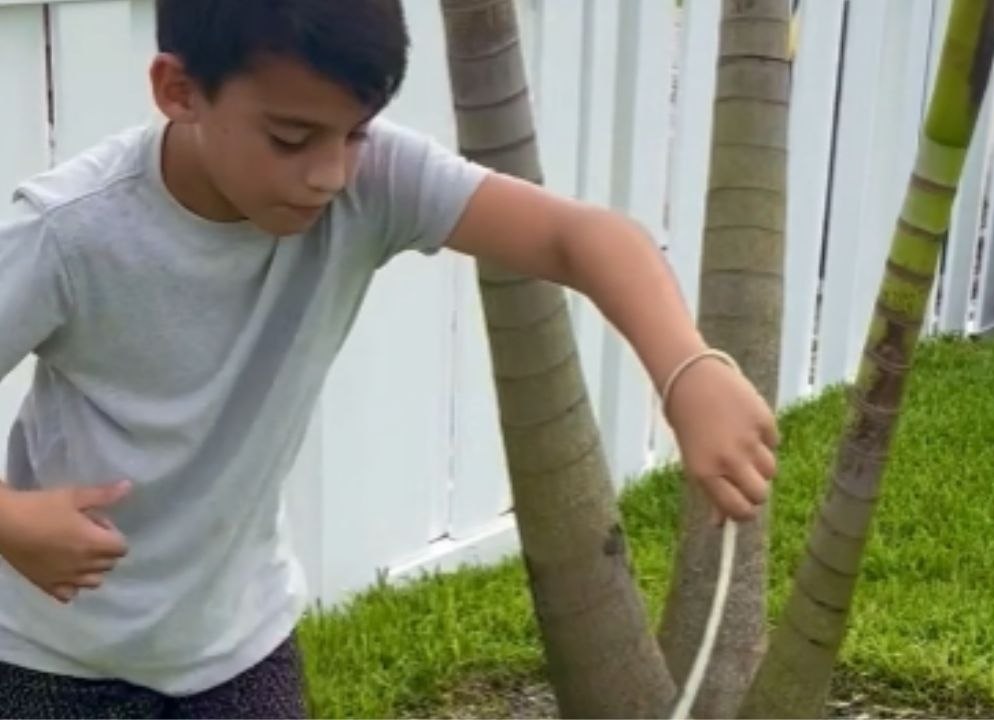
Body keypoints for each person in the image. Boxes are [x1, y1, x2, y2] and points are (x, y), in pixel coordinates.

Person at [0, 0, 778, 717]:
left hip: (239, 651)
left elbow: (582, 237)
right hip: (50, 661)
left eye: (357, 132)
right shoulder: (67, 235)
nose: (330, 174)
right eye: (291, 138)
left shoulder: (371, 183)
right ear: (179, 90)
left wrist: (688, 368)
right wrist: (11, 522)